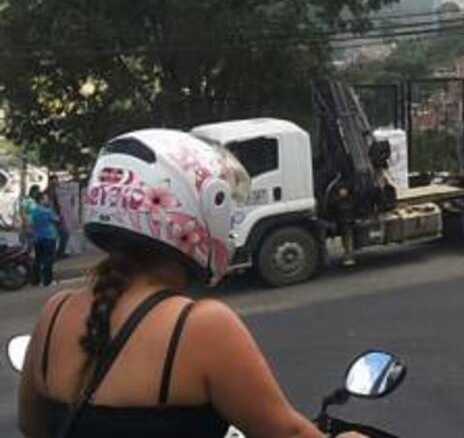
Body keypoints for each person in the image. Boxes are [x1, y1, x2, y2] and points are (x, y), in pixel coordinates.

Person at [17, 129, 365, 438]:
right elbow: (285, 432)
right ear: (196, 208)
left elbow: (31, 426)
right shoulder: (200, 326)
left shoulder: (56, 312)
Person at [28, 193, 59, 288]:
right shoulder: (48, 211)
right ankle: (47, 281)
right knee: (48, 260)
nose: (47, 200)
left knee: (38, 259)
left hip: (38, 237)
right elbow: (57, 219)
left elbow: (31, 224)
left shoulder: (33, 211)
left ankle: (35, 280)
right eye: (46, 199)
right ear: (41, 200)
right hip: (49, 236)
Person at [44, 175, 69, 260]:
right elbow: (50, 206)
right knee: (62, 234)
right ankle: (56, 254)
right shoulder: (48, 192)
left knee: (62, 235)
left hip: (56, 216)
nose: (56, 183)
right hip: (53, 217)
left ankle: (58, 253)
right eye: (54, 181)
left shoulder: (54, 191)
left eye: (56, 181)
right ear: (50, 181)